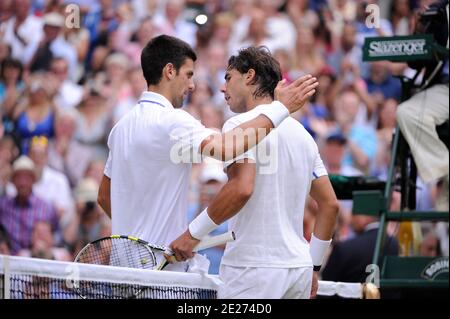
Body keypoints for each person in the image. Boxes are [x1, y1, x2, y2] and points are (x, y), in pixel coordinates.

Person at [97, 35, 318, 272]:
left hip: (122, 269)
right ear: (170, 71)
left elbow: (104, 196)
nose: (192, 86)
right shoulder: (174, 120)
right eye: (189, 75)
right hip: (160, 276)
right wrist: (281, 109)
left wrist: (138, 235)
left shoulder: (120, 127)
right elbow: (228, 148)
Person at [169, 46, 338, 298]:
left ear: (249, 76)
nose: (223, 88)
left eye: (228, 78)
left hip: (254, 270)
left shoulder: (238, 124)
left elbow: (241, 188)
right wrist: (313, 266)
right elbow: (330, 205)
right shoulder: (304, 135)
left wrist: (192, 235)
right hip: (298, 271)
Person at [396, 0, 449, 186]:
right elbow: (415, 63)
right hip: (444, 88)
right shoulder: (437, 11)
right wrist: (419, 31)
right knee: (407, 112)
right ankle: (445, 171)